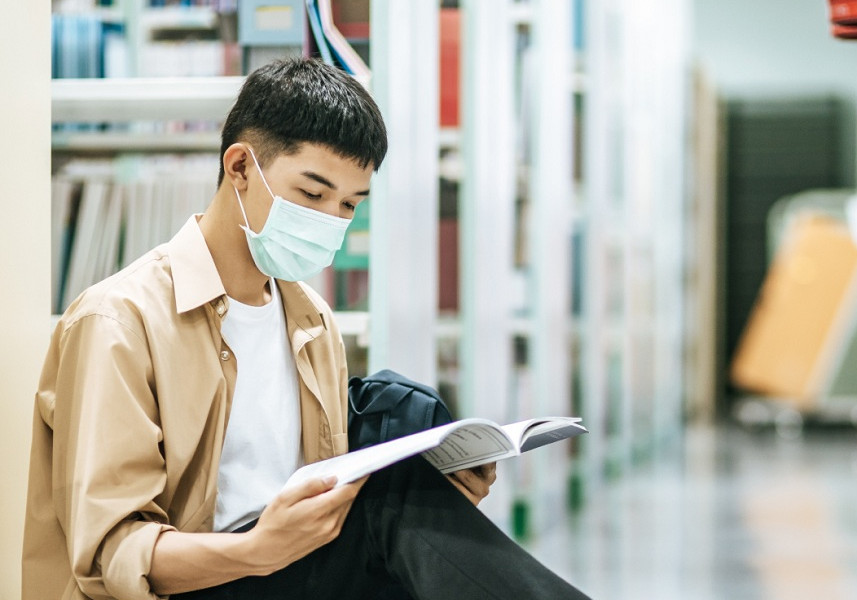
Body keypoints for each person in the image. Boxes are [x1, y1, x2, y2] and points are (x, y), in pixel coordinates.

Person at [23, 57, 589, 600]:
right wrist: (256, 552)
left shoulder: (311, 320)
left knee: (406, 505)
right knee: (391, 507)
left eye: (349, 205)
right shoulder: (119, 321)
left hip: (294, 569)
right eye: (312, 194)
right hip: (204, 581)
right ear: (240, 167)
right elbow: (110, 554)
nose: (330, 221)